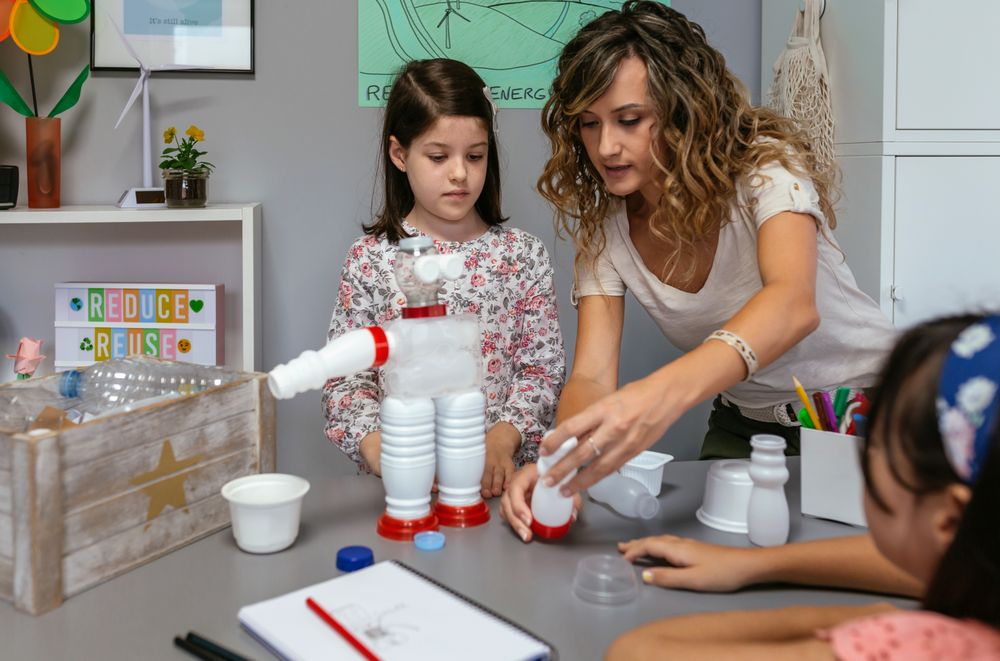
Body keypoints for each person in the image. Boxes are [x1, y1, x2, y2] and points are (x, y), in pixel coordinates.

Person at [500, 1, 894, 534]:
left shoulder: (764, 167)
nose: (606, 146)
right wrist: (561, 464)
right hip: (745, 425)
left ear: (681, 109)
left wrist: (660, 394)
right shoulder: (604, 228)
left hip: (861, 412)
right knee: (711, 558)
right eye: (589, 124)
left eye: (629, 120)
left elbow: (792, 303)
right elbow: (591, 375)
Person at [606, 313, 1000, 659]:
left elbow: (632, 652)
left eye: (874, 442)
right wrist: (749, 565)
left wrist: (866, 622)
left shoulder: (911, 647)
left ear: (948, 519)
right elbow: (955, 563)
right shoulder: (981, 571)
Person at [322, 59, 565, 498]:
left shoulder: (522, 256)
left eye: (475, 155)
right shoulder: (371, 259)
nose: (460, 173)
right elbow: (346, 379)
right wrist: (380, 448)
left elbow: (541, 371)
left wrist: (502, 439)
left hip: (500, 487)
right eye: (438, 157)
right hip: (406, 490)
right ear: (400, 155)